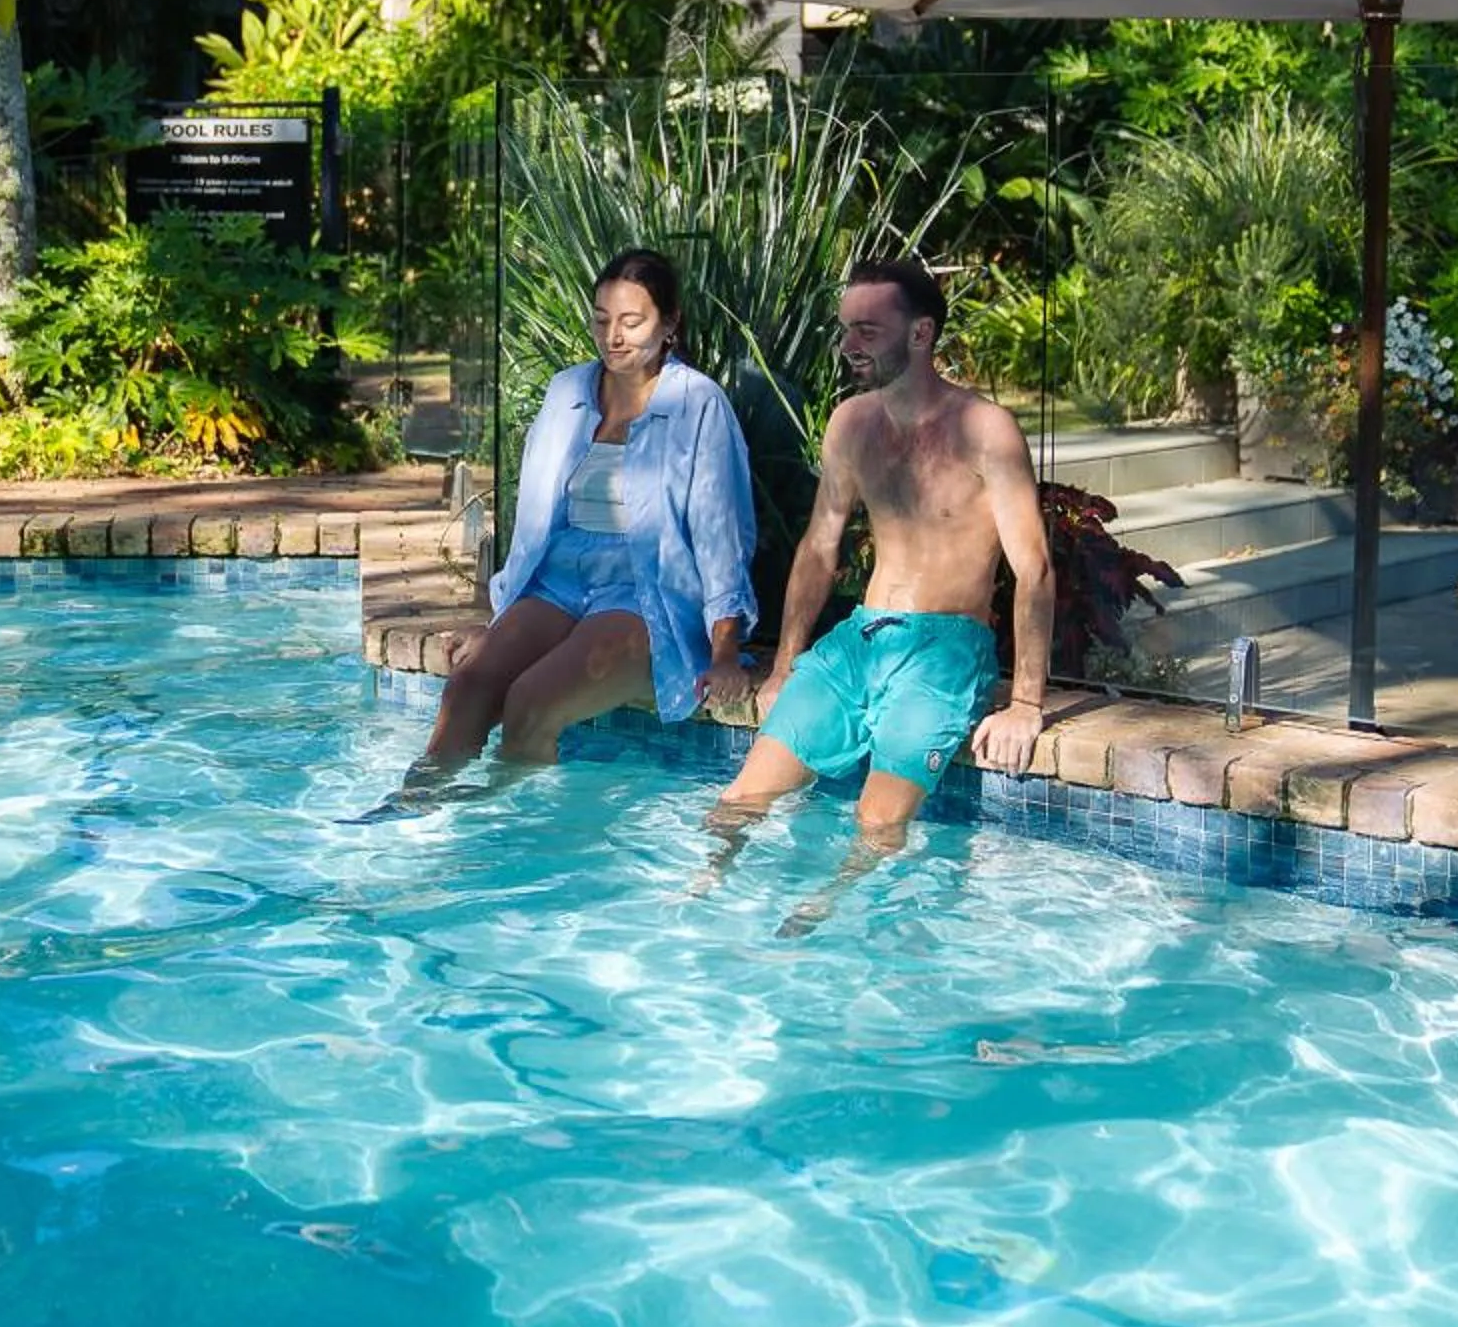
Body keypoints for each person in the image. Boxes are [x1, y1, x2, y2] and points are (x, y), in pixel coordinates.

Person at [702, 259, 1053, 908]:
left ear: (920, 335)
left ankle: (816, 924)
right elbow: (818, 546)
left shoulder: (984, 429)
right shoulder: (851, 424)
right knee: (739, 800)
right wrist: (782, 666)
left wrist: (1026, 703)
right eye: (845, 330)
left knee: (877, 821)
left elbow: (1033, 567)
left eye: (866, 330)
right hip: (860, 641)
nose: (847, 347)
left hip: (946, 651)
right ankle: (693, 905)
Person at [390, 248, 758, 801]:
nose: (614, 337)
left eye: (632, 322)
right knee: (468, 686)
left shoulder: (697, 404)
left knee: (532, 702)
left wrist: (726, 651)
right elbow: (534, 526)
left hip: (641, 592)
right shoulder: (567, 392)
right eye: (602, 319)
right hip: (558, 580)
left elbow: (720, 534)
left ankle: (502, 834)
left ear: (670, 323)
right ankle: (410, 813)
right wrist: (496, 624)